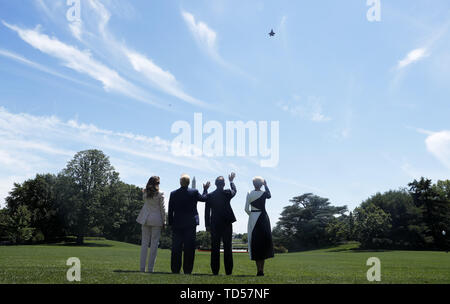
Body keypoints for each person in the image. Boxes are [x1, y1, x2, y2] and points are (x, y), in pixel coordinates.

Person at [168, 174, 209, 274]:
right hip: (190, 223)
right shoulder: (194, 192)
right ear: (189, 183)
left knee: (176, 248)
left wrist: (170, 223)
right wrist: (205, 189)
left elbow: (170, 211)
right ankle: (187, 269)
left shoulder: (173, 193)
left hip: (177, 223)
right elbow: (204, 198)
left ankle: (175, 269)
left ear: (180, 182)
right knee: (189, 248)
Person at [204, 172, 237, 275]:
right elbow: (234, 191)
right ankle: (228, 271)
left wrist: (207, 225)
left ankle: (215, 271)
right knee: (228, 247)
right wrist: (231, 181)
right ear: (223, 184)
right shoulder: (227, 193)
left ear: (215, 184)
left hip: (214, 223)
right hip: (227, 223)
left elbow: (206, 211)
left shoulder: (210, 195)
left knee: (215, 248)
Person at [245, 177, 274, 276]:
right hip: (263, 218)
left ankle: (258, 270)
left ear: (253, 184)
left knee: (256, 244)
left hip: (253, 218)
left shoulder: (249, 193)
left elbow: (246, 209)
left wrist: (252, 215)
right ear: (261, 184)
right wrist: (266, 185)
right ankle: (261, 270)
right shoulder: (264, 193)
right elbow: (269, 195)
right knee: (263, 244)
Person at [136, 176, 165, 273]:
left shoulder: (145, 193)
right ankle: (150, 268)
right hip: (156, 220)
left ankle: (142, 268)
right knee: (154, 245)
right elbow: (162, 209)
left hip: (145, 219)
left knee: (144, 244)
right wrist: (164, 221)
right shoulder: (160, 194)